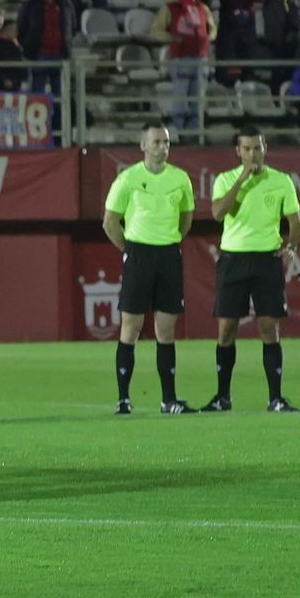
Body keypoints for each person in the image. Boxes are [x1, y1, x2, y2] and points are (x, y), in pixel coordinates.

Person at [202, 127, 300, 414]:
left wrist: (292, 246)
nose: (252, 154)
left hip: (267, 259)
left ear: (265, 148)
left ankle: (276, 398)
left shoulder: (281, 181)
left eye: (257, 148)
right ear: (238, 152)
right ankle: (223, 397)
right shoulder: (225, 180)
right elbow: (218, 213)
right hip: (233, 258)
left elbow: (294, 221)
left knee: (269, 327)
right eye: (246, 149)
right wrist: (242, 181)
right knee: (226, 329)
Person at [103, 122, 198, 415]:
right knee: (130, 328)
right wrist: (131, 251)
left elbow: (186, 218)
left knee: (166, 331)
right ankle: (123, 399)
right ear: (143, 146)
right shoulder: (128, 179)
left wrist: (168, 242)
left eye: (166, 142)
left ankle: (168, 400)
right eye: (156, 142)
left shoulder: (181, 179)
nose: (162, 148)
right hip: (139, 255)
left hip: (168, 255)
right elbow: (110, 222)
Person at [150, 0, 217, 130]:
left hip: (201, 58)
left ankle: (195, 133)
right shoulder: (170, 8)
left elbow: (212, 28)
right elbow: (156, 30)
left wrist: (208, 38)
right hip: (180, 59)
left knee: (198, 99)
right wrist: (172, 38)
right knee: (180, 98)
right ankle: (179, 132)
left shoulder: (202, 8)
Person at [17, 0, 73, 95]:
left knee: (60, 94)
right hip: (38, 55)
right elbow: (21, 27)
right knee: (37, 93)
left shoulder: (66, 5)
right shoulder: (30, 5)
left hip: (59, 54)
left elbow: (72, 26)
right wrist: (28, 44)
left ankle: (58, 114)